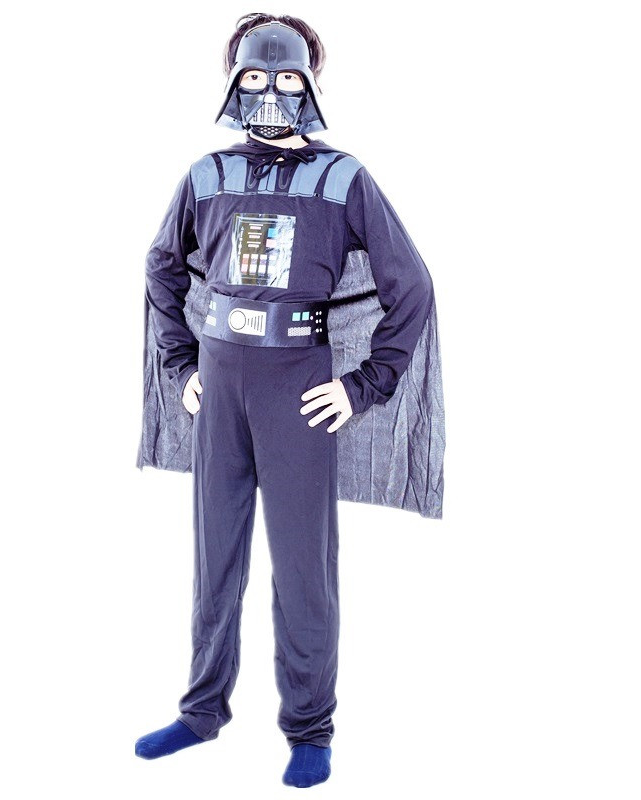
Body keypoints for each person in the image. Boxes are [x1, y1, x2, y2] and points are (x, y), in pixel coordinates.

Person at [134, 13, 440, 788]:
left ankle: (310, 728)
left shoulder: (342, 179)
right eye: (254, 76)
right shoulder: (206, 175)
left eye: (286, 77)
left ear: (310, 83)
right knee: (215, 560)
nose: (269, 90)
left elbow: (411, 286)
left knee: (305, 569)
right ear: (233, 81)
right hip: (220, 382)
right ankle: (202, 712)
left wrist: (363, 385)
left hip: (298, 389)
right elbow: (162, 267)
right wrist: (180, 362)